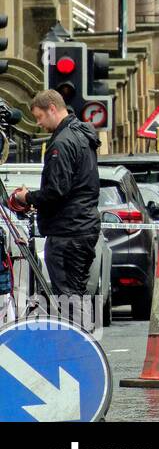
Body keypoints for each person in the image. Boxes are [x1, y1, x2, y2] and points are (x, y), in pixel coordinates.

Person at [10, 90, 102, 330]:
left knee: (69, 296)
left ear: (52, 108)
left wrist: (26, 197)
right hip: (83, 226)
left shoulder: (62, 143)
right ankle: (85, 344)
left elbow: (56, 190)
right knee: (77, 294)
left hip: (67, 231)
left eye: (39, 117)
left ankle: (80, 348)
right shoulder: (82, 135)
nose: (39, 124)